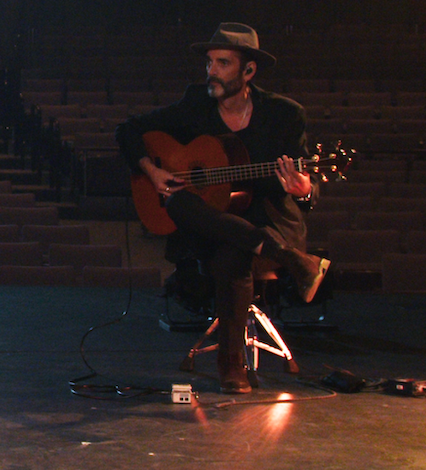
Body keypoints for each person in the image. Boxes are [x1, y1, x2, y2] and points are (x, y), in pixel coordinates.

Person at [116, 22, 329, 394]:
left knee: (234, 251)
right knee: (178, 200)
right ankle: (294, 261)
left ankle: (231, 365)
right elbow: (128, 131)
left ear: (248, 71)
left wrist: (304, 187)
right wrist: (152, 171)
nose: (211, 71)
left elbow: (304, 181)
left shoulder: (284, 115)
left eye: (222, 63)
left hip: (268, 219)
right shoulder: (195, 104)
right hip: (208, 222)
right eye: (210, 63)